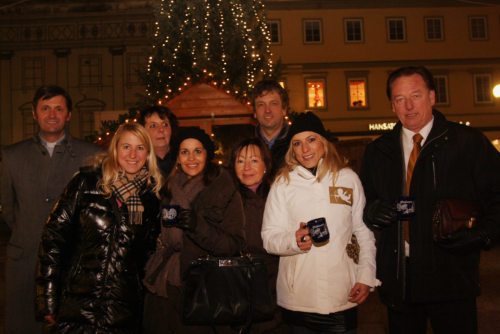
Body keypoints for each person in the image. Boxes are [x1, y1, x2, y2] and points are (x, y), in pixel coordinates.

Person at [360, 66, 500, 334]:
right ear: (392, 105)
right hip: (400, 279)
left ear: (432, 97)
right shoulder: (378, 151)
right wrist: (371, 210)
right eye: (400, 99)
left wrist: (483, 235)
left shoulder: (466, 143)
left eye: (416, 95)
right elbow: (365, 201)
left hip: (451, 275)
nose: (409, 106)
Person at [35, 123, 163, 333]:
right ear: (115, 149)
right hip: (74, 306)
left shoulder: (151, 200)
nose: (133, 154)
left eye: (140, 148)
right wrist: (47, 299)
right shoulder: (86, 183)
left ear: (148, 153)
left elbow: (147, 260)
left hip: (122, 312)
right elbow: (52, 241)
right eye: (126, 147)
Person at [261, 112, 380, 334]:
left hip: (342, 295)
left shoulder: (347, 178)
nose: (305, 149)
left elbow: (363, 232)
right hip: (299, 298)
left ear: (324, 142)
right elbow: (269, 237)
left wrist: (366, 276)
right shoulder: (283, 184)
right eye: (297, 143)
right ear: (292, 150)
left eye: (311, 140)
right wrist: (293, 240)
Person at [0, 85, 100, 334]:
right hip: (24, 261)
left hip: (72, 260)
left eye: (59, 108)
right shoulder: (11, 156)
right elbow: (8, 209)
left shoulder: (93, 156)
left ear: (69, 115)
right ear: (34, 114)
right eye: (45, 108)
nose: (52, 114)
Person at [142, 127, 246, 334]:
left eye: (198, 151)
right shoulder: (168, 188)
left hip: (203, 289)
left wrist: (198, 226)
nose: (191, 158)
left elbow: (234, 245)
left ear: (207, 155)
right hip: (165, 282)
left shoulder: (224, 188)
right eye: (184, 152)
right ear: (178, 158)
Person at [229, 138, 287, 333]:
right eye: (240, 161)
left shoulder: (279, 196)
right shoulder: (223, 198)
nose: (247, 167)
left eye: (254, 160)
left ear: (265, 165)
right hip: (234, 287)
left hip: (274, 286)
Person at [252, 79, 290, 177]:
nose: (267, 110)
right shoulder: (246, 145)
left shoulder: (297, 144)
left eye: (273, 104)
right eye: (261, 105)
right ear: (255, 113)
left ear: (284, 109)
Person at [138, 105, 179, 176]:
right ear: (143, 132)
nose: (161, 129)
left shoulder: (183, 159)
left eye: (165, 124)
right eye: (153, 126)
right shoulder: (137, 164)